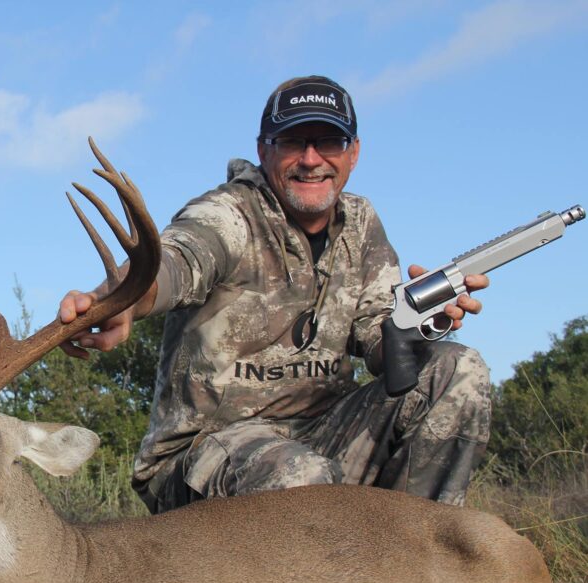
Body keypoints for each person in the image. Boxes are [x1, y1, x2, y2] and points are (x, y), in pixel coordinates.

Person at [59, 75, 492, 514]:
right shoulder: (229, 213)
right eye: (291, 142)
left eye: (328, 142)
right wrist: (125, 297)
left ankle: (412, 559)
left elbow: (377, 337)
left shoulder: (360, 223)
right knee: (301, 477)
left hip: (324, 437)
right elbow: (179, 260)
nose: (310, 160)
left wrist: (418, 322)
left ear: (353, 153)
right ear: (264, 149)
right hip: (205, 459)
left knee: (458, 369)